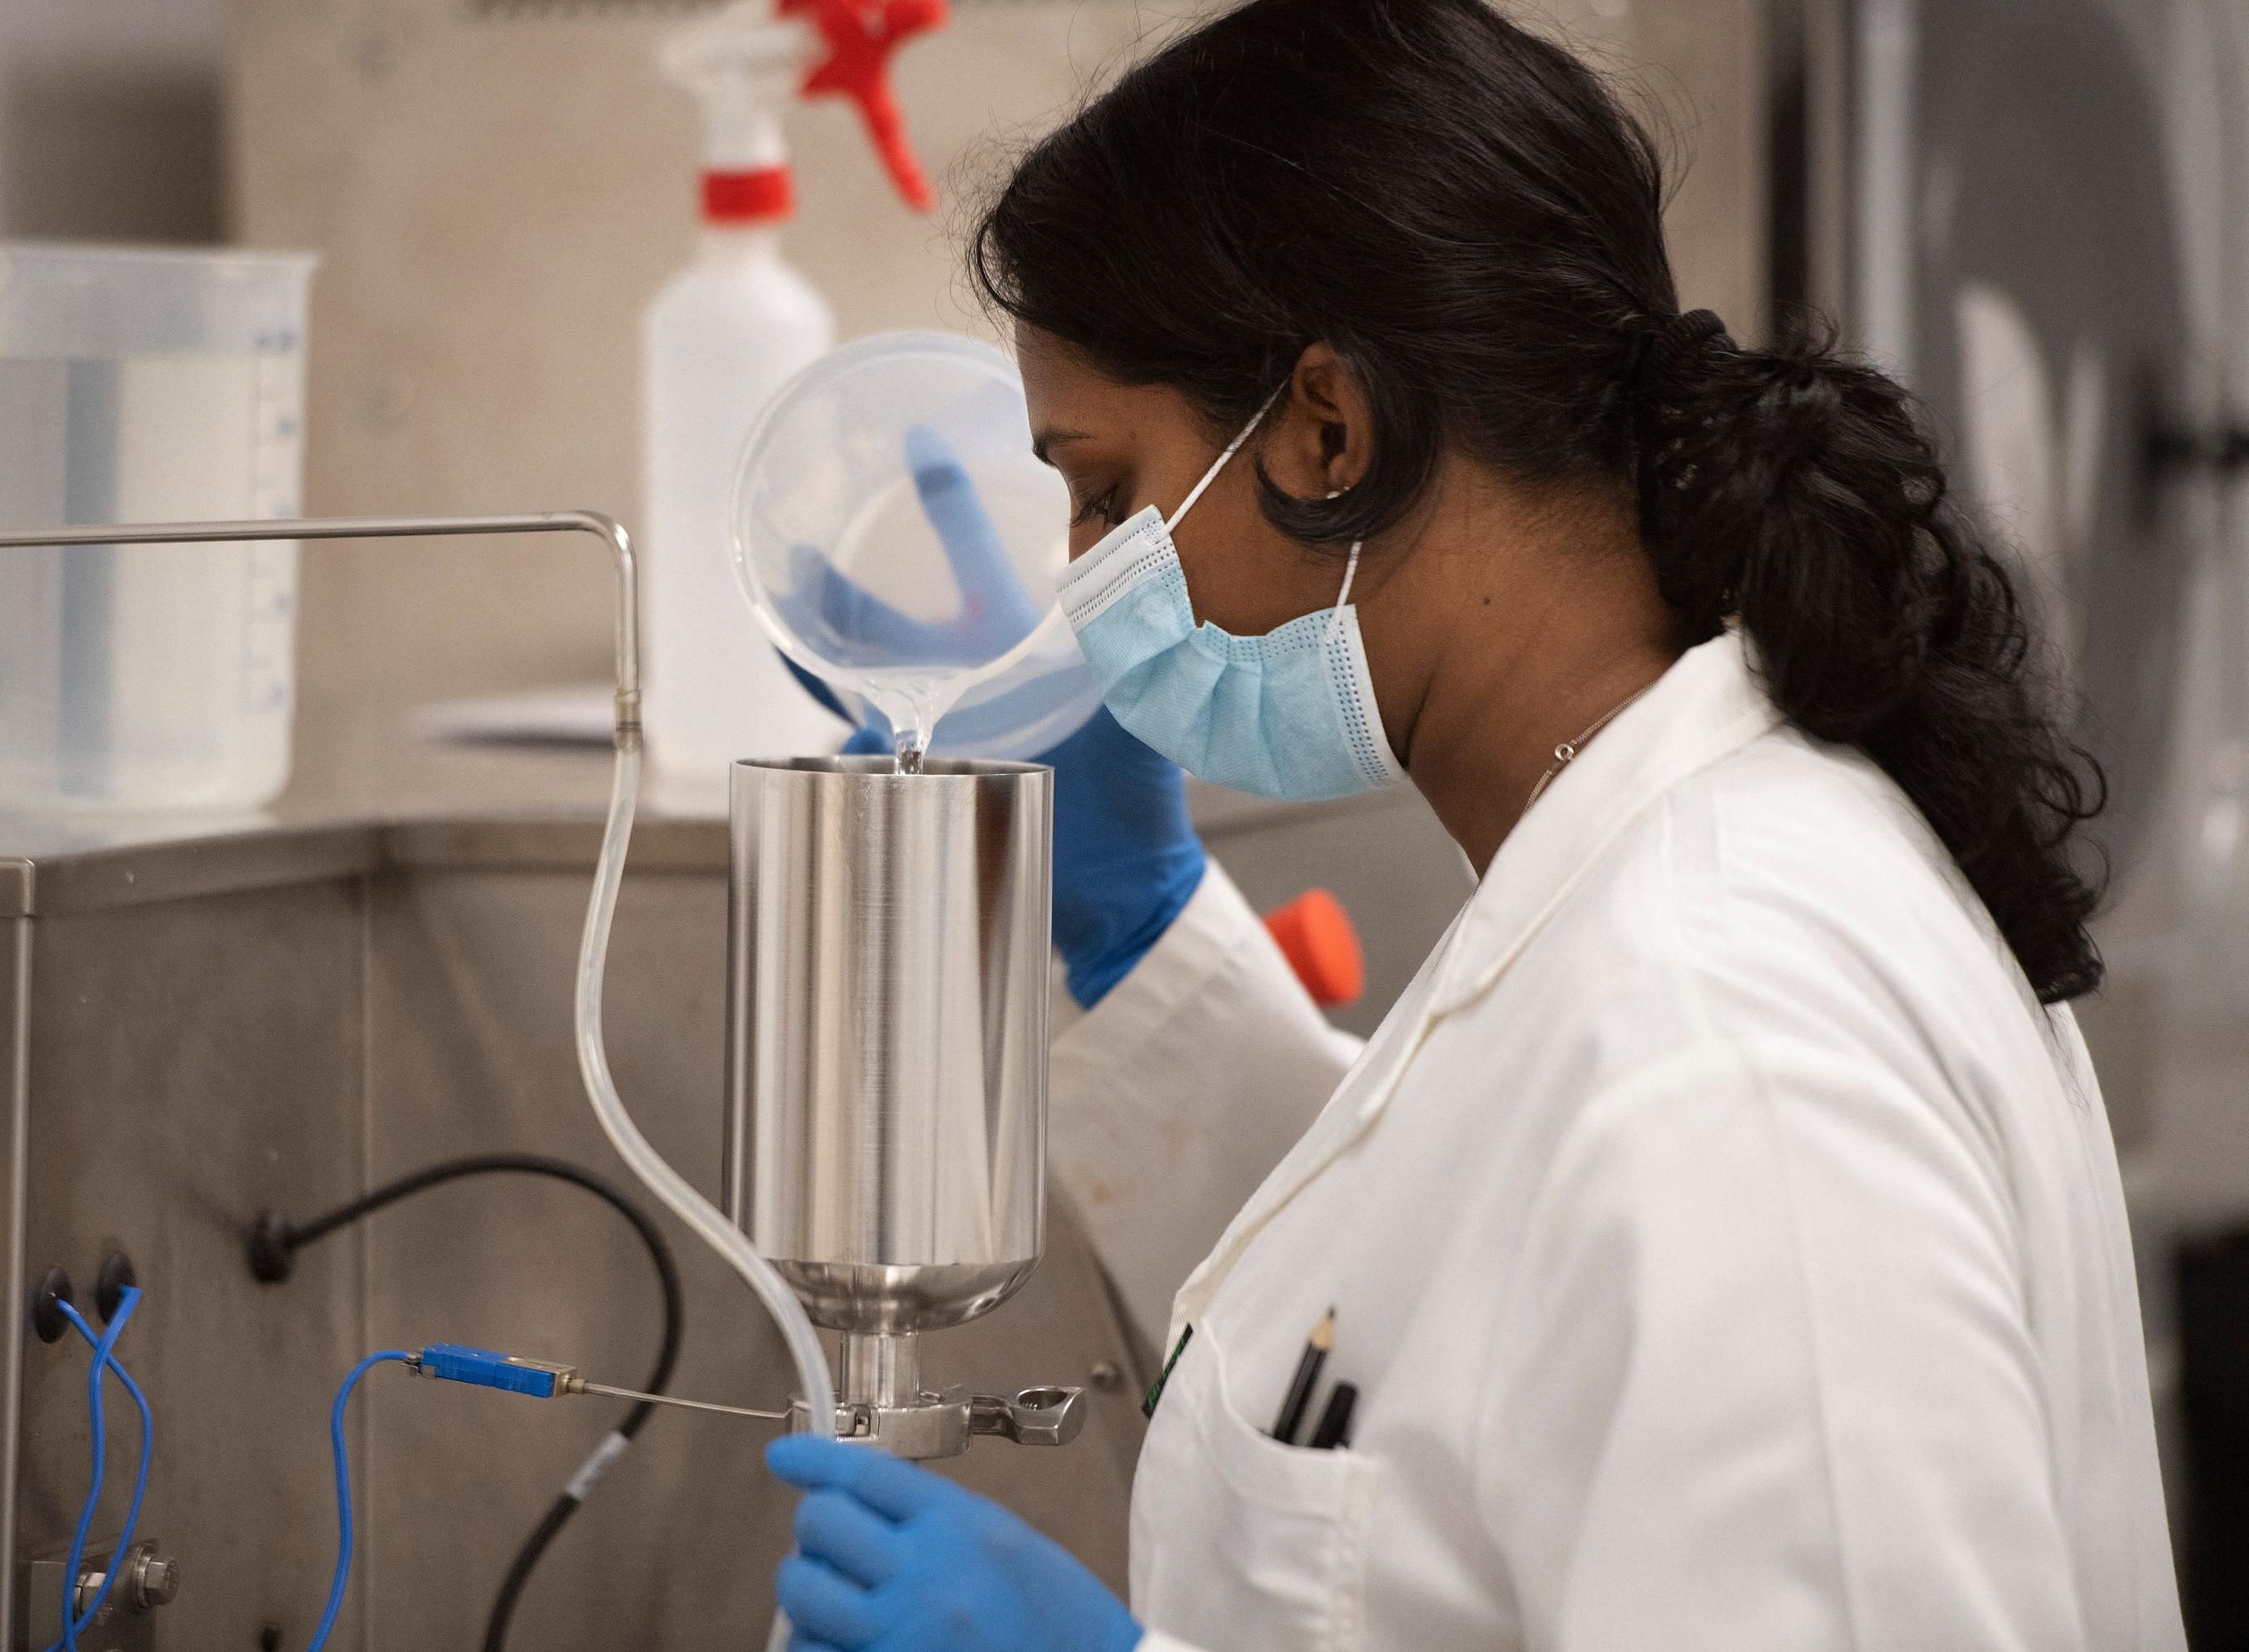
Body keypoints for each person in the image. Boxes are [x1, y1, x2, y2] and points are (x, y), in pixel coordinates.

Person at [763, 0, 2186, 1648]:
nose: (1083, 592)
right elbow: (1446, 1361)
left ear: (1326, 431)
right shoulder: (1639, 876)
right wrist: (1142, 938)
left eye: (1101, 491)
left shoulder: (1729, 1026)